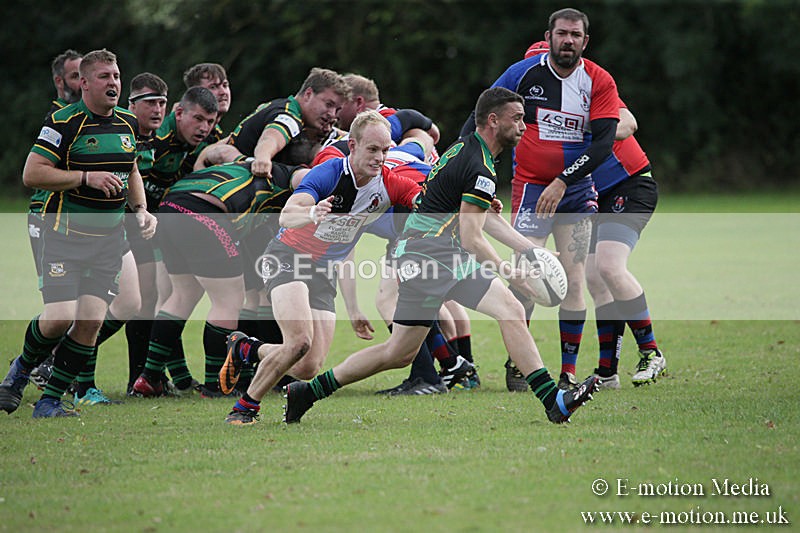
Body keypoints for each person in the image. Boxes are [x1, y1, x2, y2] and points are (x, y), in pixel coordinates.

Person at [235, 87, 598, 426]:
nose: (523, 126)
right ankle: (553, 400)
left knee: (399, 352)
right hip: (432, 255)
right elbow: (472, 236)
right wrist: (508, 271)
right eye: (517, 118)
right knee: (511, 309)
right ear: (493, 120)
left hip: (423, 254)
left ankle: (308, 392)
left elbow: (457, 208)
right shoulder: (478, 166)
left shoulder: (464, 151)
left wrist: (529, 250)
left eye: (386, 150)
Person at [217, 110, 422, 425]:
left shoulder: (390, 184)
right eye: (372, 149)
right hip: (287, 257)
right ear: (352, 145)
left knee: (307, 367)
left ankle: (246, 348)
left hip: (324, 273)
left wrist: (475, 202)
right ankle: (245, 408)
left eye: (385, 150)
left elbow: (427, 199)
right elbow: (287, 216)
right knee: (299, 342)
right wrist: (312, 212)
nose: (380, 157)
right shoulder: (328, 174)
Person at [461, 8, 620, 391]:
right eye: (561, 33)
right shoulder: (524, 73)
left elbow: (602, 142)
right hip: (531, 189)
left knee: (575, 279)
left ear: (586, 41)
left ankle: (566, 373)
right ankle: (519, 365)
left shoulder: (598, 81)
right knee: (527, 274)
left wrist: (564, 180)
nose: (568, 40)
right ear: (548, 36)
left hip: (577, 191)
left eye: (575, 35)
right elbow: (483, 113)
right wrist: (461, 157)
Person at [0, 49, 156, 418]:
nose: (113, 83)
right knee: (58, 318)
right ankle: (20, 370)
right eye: (104, 76)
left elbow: (130, 170)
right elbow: (32, 174)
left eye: (116, 75)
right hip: (63, 237)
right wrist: (85, 178)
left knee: (89, 322)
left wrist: (141, 210)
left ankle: (51, 401)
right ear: (84, 83)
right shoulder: (63, 122)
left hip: (108, 242)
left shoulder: (127, 124)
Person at [521, 39, 666, 389]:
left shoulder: (586, 90)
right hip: (592, 196)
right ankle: (607, 372)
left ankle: (651, 351)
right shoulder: (535, 105)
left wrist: (585, 127)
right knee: (596, 281)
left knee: (609, 268)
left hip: (629, 185)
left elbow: (628, 123)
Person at [130, 159, 307, 398]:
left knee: (183, 295)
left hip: (171, 206)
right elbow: (304, 179)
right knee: (229, 301)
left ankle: (149, 378)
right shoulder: (292, 175)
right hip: (204, 211)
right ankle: (216, 387)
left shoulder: (249, 170)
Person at [195, 67, 350, 172]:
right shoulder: (290, 117)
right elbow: (272, 138)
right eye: (328, 104)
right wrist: (263, 158)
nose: (332, 115)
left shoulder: (280, 106)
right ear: (308, 94)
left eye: (337, 110)